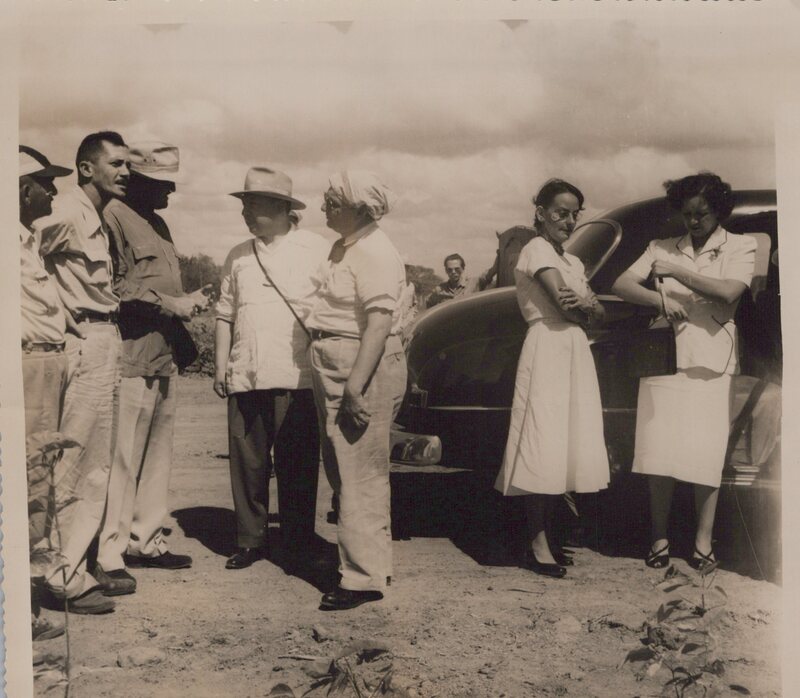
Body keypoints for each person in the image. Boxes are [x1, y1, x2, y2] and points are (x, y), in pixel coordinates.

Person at [611, 173, 756, 571]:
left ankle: (702, 542)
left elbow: (729, 292)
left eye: (702, 214)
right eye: (687, 213)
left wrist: (677, 273)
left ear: (719, 211)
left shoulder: (741, 246)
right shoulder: (661, 246)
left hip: (712, 362)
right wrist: (658, 301)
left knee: (705, 453)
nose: (693, 222)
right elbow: (622, 284)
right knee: (659, 451)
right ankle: (659, 537)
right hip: (664, 359)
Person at [95, 142, 210, 594]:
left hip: (163, 355)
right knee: (122, 459)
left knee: (157, 457)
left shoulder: (157, 223)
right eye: (161, 183)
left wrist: (185, 304)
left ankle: (146, 541)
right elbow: (114, 286)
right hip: (131, 355)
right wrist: (171, 304)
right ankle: (109, 553)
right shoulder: (113, 217)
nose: (170, 191)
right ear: (136, 181)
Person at [214, 167, 329, 572]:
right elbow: (225, 314)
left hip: (297, 377)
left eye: (254, 205)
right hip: (245, 374)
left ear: (281, 208)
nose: (245, 213)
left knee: (298, 463)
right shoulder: (238, 256)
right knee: (248, 464)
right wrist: (221, 366)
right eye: (244, 204)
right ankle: (250, 540)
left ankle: (298, 539)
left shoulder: (315, 249)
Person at [495, 179, 609, 579]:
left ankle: (552, 535)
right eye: (561, 212)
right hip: (547, 346)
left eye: (575, 213)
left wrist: (587, 308)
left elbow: (600, 315)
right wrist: (586, 307)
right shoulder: (536, 249)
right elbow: (566, 308)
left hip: (574, 350)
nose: (569, 221)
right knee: (543, 441)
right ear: (541, 213)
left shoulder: (573, 262)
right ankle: (537, 543)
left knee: (566, 442)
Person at [36, 131, 130, 614]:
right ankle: (63, 577)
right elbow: (20, 249)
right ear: (87, 168)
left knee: (95, 464)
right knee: (77, 464)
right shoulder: (68, 211)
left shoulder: (95, 215)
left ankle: (73, 563)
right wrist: (56, 312)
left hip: (103, 337)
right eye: (116, 163)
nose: (126, 172)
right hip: (85, 339)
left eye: (126, 164)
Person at [307, 171, 407, 610]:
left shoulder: (374, 252)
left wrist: (354, 387)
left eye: (333, 200)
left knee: (359, 472)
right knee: (346, 469)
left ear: (361, 209)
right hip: (338, 360)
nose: (324, 206)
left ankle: (362, 579)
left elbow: (379, 325)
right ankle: (370, 564)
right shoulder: (347, 246)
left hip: (359, 364)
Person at [19, 145, 78, 636]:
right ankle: (22, 613)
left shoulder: (26, 239)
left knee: (40, 475)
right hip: (29, 364)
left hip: (45, 361)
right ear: (23, 191)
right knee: (31, 478)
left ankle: (25, 600)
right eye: (46, 183)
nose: (54, 191)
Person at [478, 225, 538, 290]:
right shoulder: (532, 251)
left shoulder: (503, 253)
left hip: (507, 292)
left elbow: (492, 272)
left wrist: (484, 280)